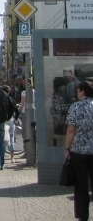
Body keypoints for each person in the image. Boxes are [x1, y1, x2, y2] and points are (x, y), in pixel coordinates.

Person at [65, 81, 93, 221]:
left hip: (79, 151)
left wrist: (67, 148)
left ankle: (83, 216)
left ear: (82, 91)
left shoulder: (75, 107)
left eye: (78, 90)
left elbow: (71, 130)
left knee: (81, 185)